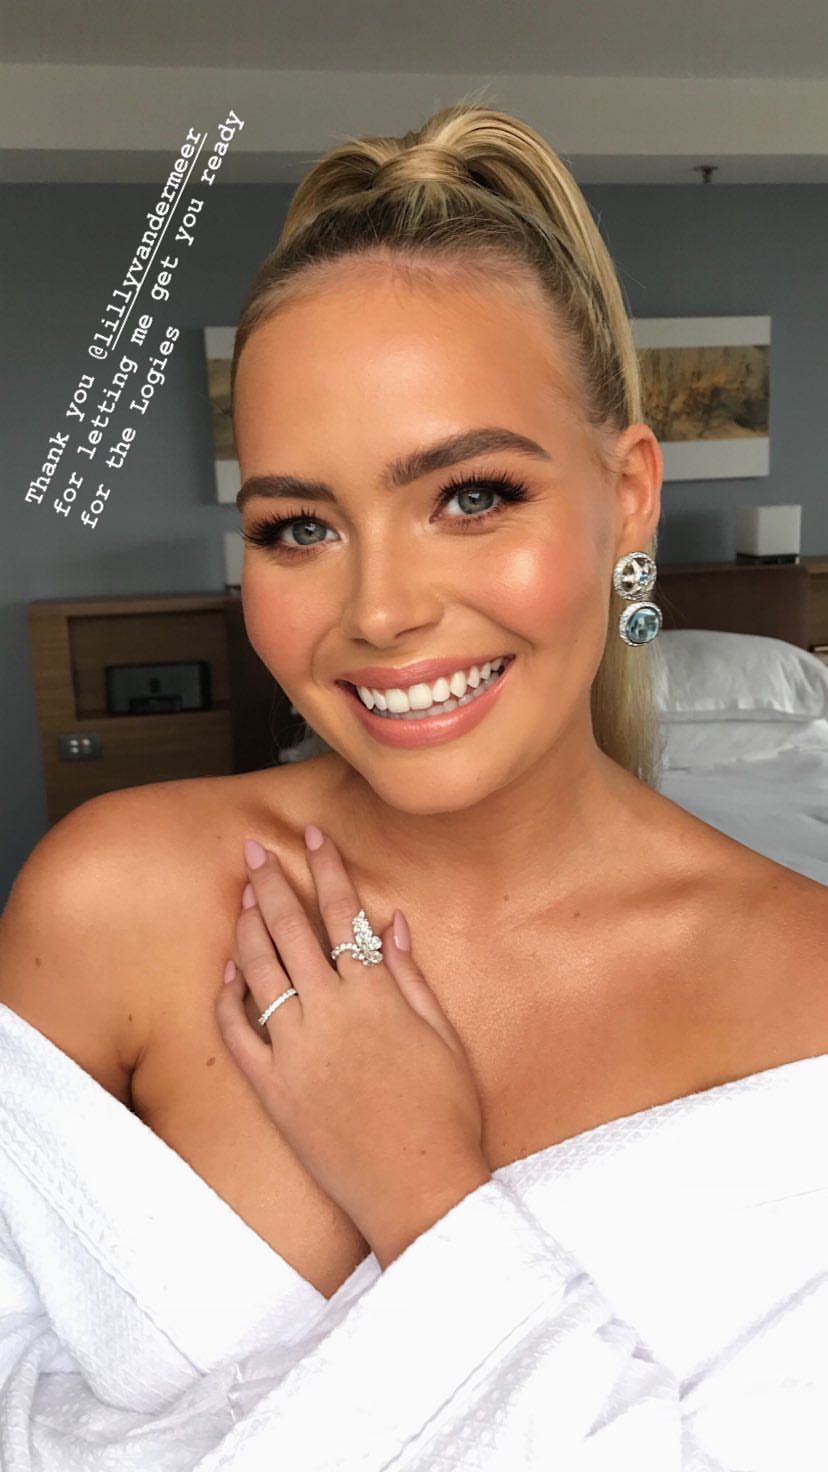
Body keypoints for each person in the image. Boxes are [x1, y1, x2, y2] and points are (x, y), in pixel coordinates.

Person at [0, 98, 826, 1470]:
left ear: (628, 494)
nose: (379, 611)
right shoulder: (108, 901)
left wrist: (426, 1192)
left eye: (472, 496)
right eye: (299, 526)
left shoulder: (807, 1003)